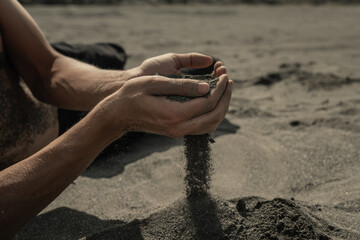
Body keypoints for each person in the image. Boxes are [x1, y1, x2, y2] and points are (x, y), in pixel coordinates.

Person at [0, 0, 233, 238]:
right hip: (63, 150)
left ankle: (116, 62)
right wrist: (114, 119)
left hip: (58, 97)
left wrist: (129, 79)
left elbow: (46, 69)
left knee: (200, 68)